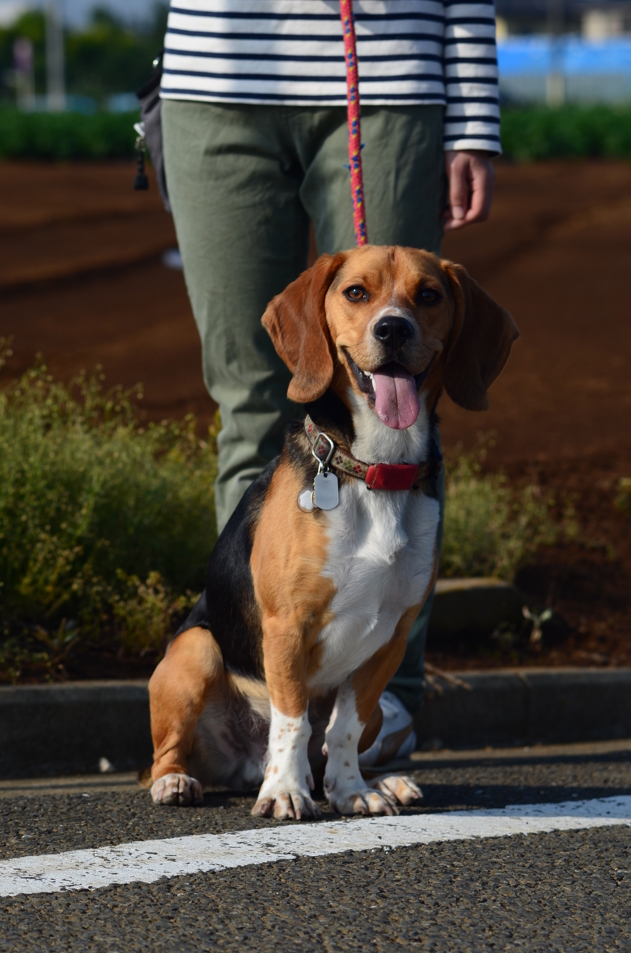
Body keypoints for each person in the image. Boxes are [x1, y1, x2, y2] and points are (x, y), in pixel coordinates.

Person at [158, 0, 501, 764]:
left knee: (403, 386)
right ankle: (263, 710)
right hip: (215, 73)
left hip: (386, 71)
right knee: (255, 399)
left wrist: (473, 115)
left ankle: (380, 710)